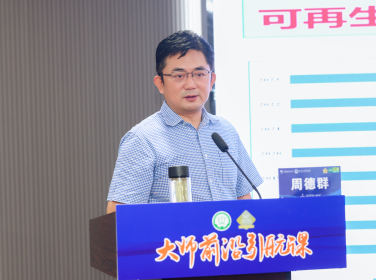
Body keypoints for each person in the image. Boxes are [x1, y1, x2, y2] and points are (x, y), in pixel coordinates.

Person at [106, 30, 262, 213]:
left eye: (199, 74)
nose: (190, 85)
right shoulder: (142, 139)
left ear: (212, 79)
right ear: (160, 83)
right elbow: (118, 215)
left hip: (227, 232)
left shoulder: (225, 131)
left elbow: (244, 199)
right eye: (179, 76)